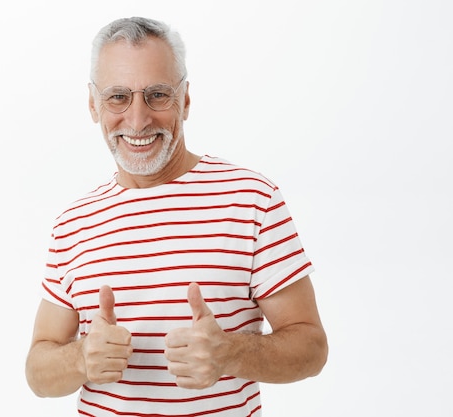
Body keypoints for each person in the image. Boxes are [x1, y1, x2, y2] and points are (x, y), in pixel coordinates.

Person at [25, 16, 327, 416]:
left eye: (157, 95)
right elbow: (37, 371)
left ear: (184, 99)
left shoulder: (252, 199)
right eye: (118, 96)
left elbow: (311, 347)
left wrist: (231, 352)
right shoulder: (73, 224)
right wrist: (80, 358)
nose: (137, 119)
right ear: (93, 105)